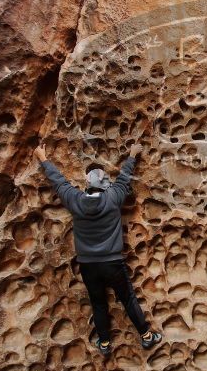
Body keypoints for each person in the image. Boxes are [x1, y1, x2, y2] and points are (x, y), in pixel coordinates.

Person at [34, 142, 162, 357]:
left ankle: (104, 343)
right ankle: (147, 336)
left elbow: (59, 182)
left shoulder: (75, 200)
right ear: (105, 182)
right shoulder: (113, 197)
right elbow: (124, 178)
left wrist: (43, 158)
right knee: (128, 298)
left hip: (88, 265)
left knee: (98, 302)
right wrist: (132, 155)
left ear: (87, 182)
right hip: (112, 263)